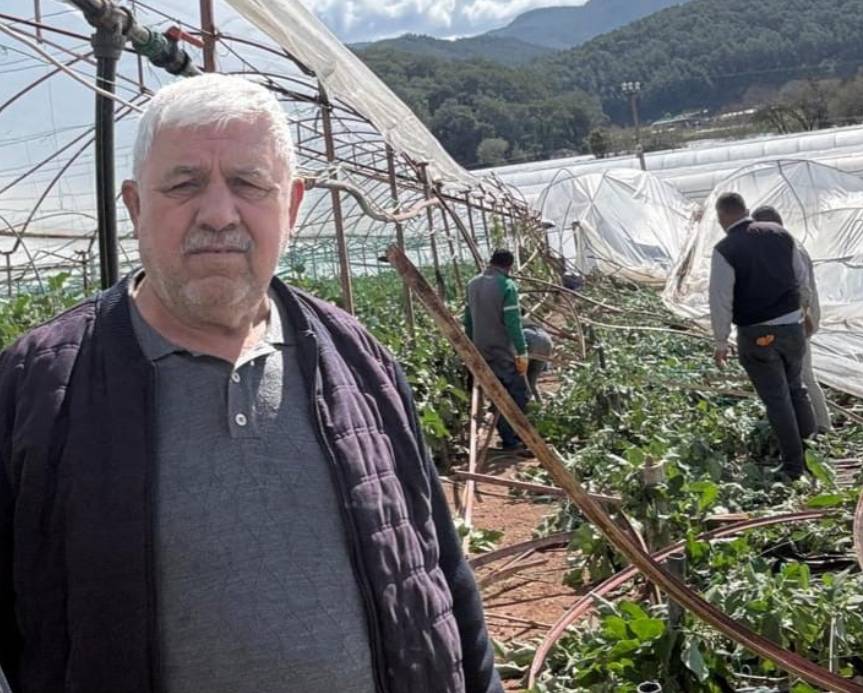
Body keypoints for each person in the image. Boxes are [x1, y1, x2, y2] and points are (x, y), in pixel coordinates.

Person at [0, 74, 501, 692]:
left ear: (290, 205)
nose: (217, 213)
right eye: (183, 185)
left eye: (248, 183)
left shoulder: (360, 361)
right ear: (134, 207)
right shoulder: (37, 386)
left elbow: (442, 574)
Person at [709, 193, 817, 481]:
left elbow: (720, 298)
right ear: (745, 210)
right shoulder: (781, 234)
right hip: (792, 327)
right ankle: (815, 452)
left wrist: (721, 341)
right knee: (796, 388)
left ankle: (794, 466)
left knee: (777, 399)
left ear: (721, 219)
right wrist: (801, 311)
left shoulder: (725, 249)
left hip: (757, 333)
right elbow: (801, 278)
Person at [751, 205, 831, 433]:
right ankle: (812, 424)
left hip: (797, 321)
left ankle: (821, 427)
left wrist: (802, 319)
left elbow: (801, 291)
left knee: (802, 375)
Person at [463, 249, 531, 452]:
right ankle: (513, 440)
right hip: (501, 351)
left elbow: (468, 319)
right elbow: (513, 322)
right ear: (508, 266)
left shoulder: (472, 284)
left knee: (496, 394)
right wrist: (522, 350)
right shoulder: (507, 285)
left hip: (481, 350)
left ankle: (509, 438)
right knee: (517, 395)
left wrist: (471, 347)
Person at [522, 320, 553, 398]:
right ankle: (539, 403)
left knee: (522, 381)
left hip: (528, 337)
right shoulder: (528, 321)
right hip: (546, 340)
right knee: (531, 382)